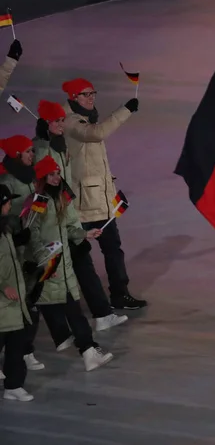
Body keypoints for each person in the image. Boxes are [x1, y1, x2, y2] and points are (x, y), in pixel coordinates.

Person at [34, 100, 128, 332]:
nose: (61, 124)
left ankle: (99, 316)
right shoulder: (43, 150)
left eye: (61, 120)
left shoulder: (59, 145)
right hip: (53, 221)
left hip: (67, 215)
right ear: (47, 123)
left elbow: (64, 182)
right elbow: (44, 188)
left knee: (78, 268)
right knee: (49, 277)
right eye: (57, 121)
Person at [61, 78, 146, 310]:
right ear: (73, 97)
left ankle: (119, 294)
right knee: (81, 257)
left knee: (113, 250)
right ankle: (87, 304)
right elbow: (96, 134)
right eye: (85, 94)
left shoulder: (85, 118)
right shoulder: (71, 121)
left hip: (100, 199)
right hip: (83, 203)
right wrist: (125, 110)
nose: (91, 97)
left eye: (92, 93)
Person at [28, 155, 114, 371]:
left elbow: (66, 229)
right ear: (42, 178)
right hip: (51, 266)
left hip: (63, 266)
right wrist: (45, 263)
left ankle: (86, 350)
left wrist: (85, 234)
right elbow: (32, 234)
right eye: (52, 175)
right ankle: (83, 349)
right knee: (38, 310)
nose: (57, 178)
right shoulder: (38, 203)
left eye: (58, 173)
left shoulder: (58, 200)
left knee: (68, 308)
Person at [0, 135, 45, 370]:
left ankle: (25, 348)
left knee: (30, 299)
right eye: (28, 151)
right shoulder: (6, 180)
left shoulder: (30, 175)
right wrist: (16, 237)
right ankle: (21, 350)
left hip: (27, 247)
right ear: (17, 155)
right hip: (11, 250)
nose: (32, 155)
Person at [0, 184, 34, 401]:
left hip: (14, 301)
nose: (10, 206)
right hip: (3, 302)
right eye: (7, 202)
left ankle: (13, 385)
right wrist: (3, 286)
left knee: (17, 343)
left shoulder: (5, 230)